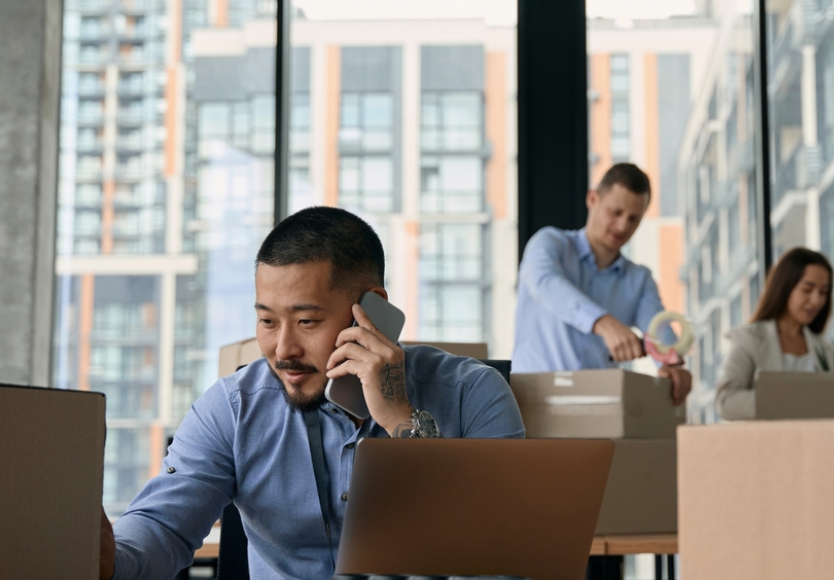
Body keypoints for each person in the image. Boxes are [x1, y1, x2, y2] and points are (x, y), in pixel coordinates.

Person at [98, 207, 525, 580]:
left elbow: (497, 555)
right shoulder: (232, 409)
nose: (283, 350)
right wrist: (110, 560)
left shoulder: (473, 393)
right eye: (267, 321)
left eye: (306, 322)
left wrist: (400, 420)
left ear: (371, 310)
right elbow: (164, 526)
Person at [512, 162, 692, 405]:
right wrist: (605, 324)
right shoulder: (549, 244)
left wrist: (673, 365)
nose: (622, 226)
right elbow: (546, 284)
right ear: (593, 198)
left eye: (633, 219)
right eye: (615, 212)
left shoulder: (639, 280)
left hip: (597, 411)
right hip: (530, 405)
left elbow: (658, 330)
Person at [715, 247, 834, 420]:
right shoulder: (749, 339)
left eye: (823, 292)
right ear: (785, 287)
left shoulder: (825, 349)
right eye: (807, 289)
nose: (816, 300)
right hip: (765, 443)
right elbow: (726, 402)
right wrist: (791, 402)